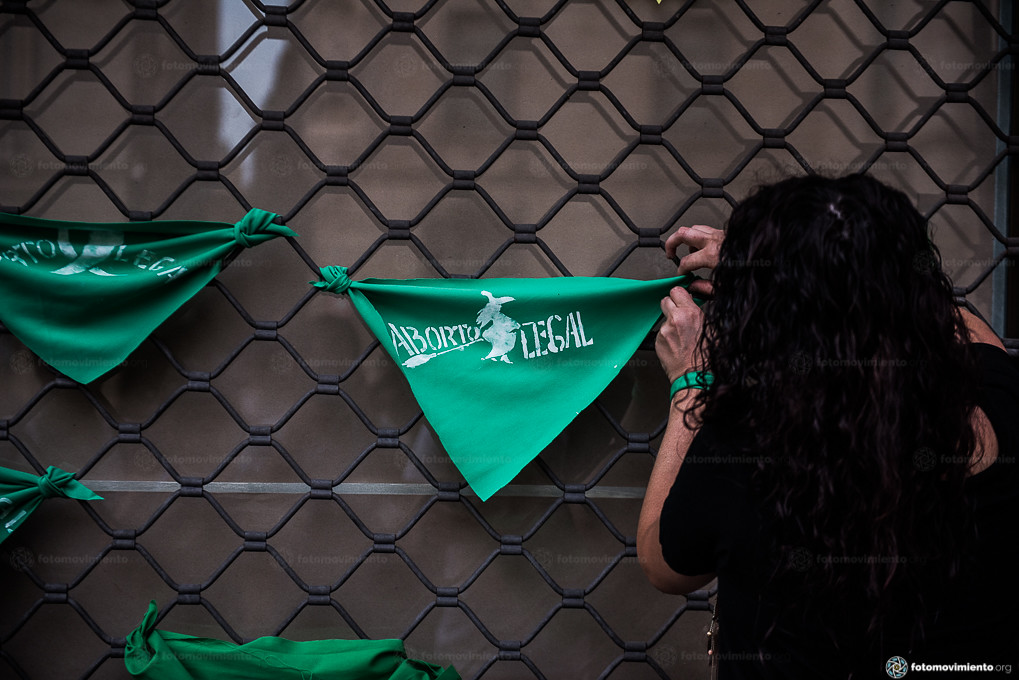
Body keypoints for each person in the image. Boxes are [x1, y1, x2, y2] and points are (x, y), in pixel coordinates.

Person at [637, 174, 1018, 678]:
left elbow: (663, 564)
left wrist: (691, 381)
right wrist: (821, 267)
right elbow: (965, 333)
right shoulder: (999, 407)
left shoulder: (749, 447)